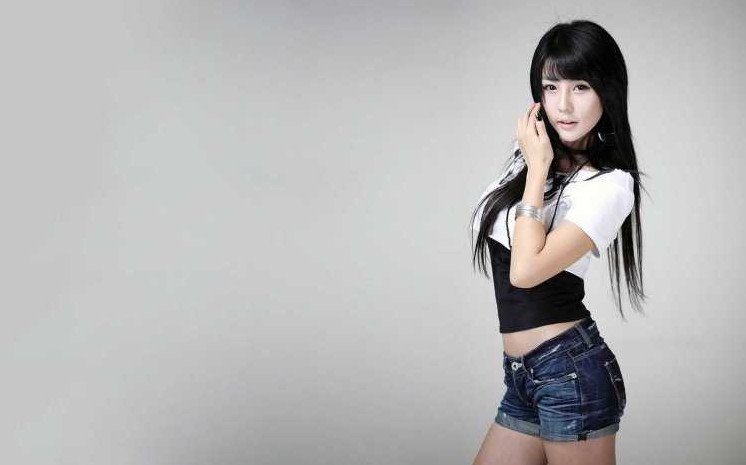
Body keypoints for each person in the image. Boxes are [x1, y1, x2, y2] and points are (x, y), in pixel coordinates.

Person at [469, 20, 647, 465]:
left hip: (569, 373)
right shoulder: (529, 158)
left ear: (607, 91)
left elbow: (526, 271)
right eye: (551, 87)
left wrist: (537, 167)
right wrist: (536, 163)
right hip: (522, 377)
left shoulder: (608, 185)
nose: (563, 105)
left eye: (580, 87)